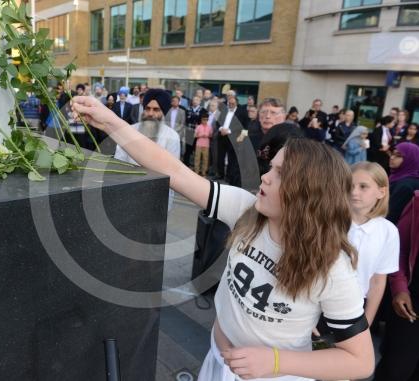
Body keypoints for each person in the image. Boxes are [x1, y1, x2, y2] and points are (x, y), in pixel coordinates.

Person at [71, 95, 374, 381]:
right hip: (217, 359)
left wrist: (277, 361)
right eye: (271, 167)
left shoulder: (333, 267)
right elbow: (175, 170)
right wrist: (110, 121)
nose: (266, 177)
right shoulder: (246, 209)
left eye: (280, 173)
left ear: (309, 193)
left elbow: (361, 361)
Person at [373, 190, 419, 381]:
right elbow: (399, 249)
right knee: (397, 368)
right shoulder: (417, 202)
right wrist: (400, 288)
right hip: (412, 304)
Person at [348, 162, 399, 326]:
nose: (354, 192)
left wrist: (366, 323)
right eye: (350, 185)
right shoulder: (330, 222)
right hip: (318, 302)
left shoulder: (388, 232)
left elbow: (377, 281)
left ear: (381, 192)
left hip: (355, 306)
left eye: (363, 187)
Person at [113, 89, 180, 211]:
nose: (150, 113)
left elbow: (172, 174)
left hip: (156, 199)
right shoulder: (128, 132)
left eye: (156, 110)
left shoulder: (172, 137)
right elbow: (119, 164)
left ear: (163, 112)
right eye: (147, 108)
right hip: (128, 195)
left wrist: (166, 207)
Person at [386, 142, 419, 224]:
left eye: (398, 155)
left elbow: (390, 216)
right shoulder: (400, 176)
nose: (392, 157)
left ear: (411, 159)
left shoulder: (405, 186)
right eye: (393, 154)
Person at [194, 111, 213, 177]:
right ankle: (196, 171)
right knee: (197, 158)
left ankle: (203, 172)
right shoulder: (198, 127)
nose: (205, 121)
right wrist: (201, 135)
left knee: (205, 159)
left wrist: (208, 135)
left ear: (208, 120)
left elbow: (211, 135)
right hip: (199, 144)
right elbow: (195, 135)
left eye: (206, 120)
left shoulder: (209, 127)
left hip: (206, 145)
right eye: (203, 120)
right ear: (201, 120)